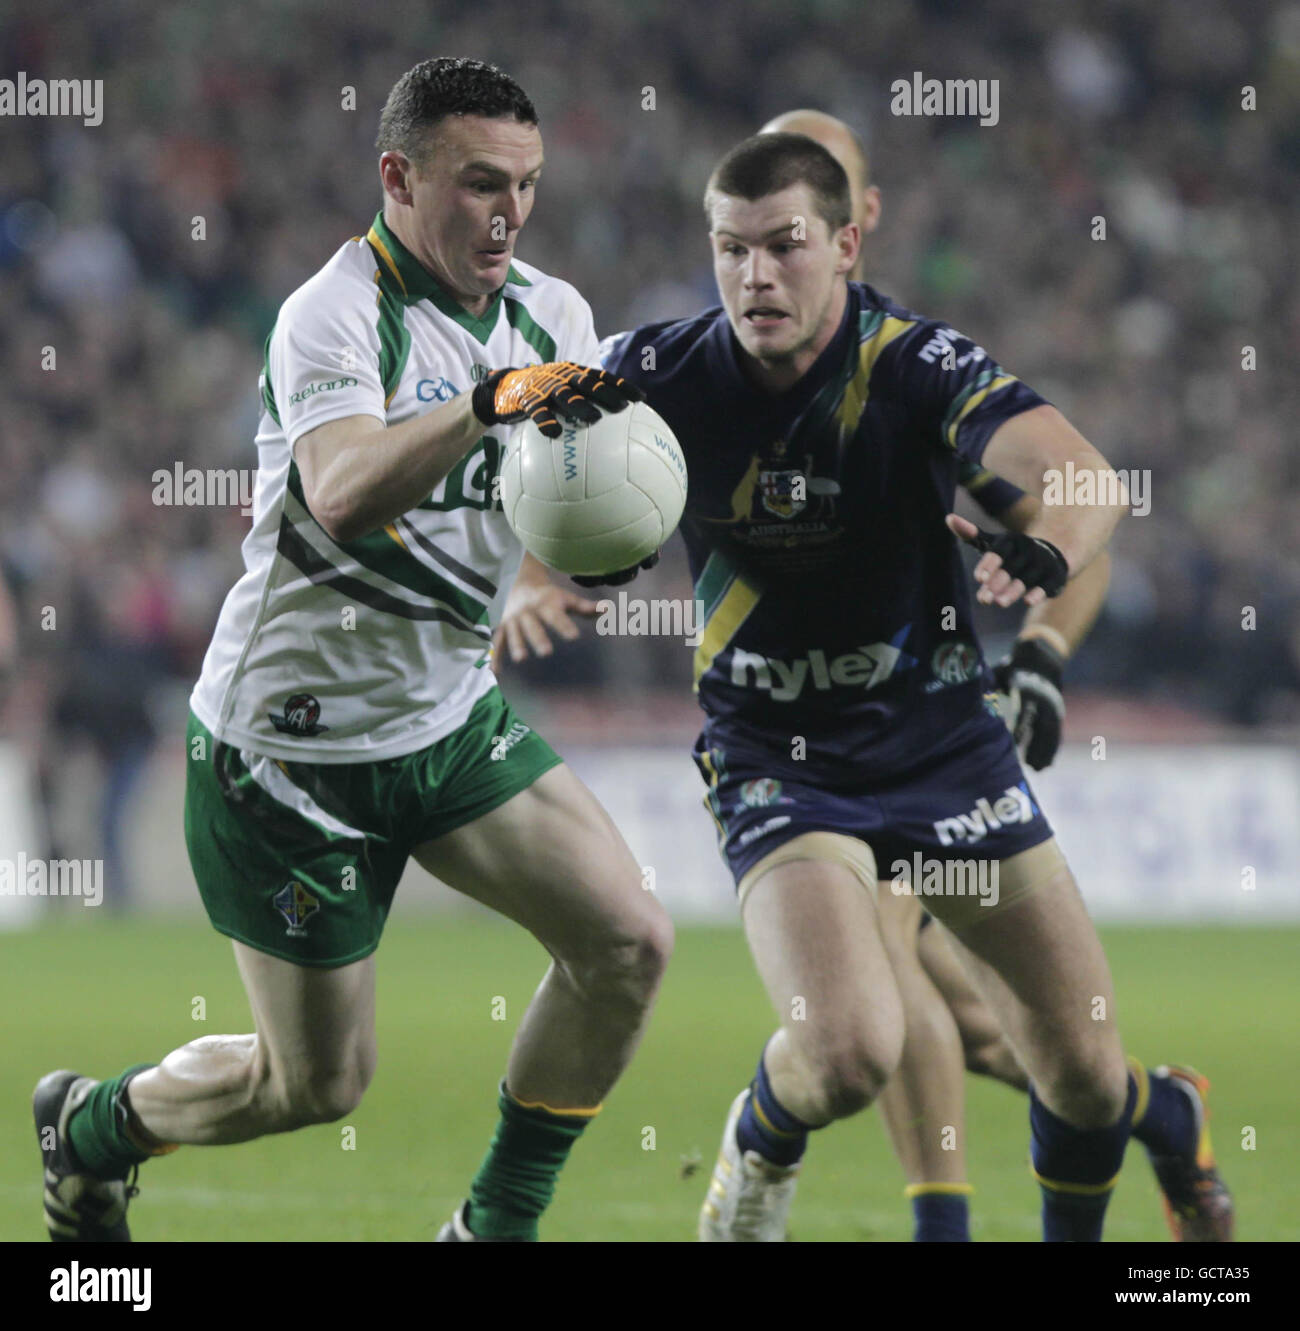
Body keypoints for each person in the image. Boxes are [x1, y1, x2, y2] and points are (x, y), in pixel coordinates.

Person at [507, 131, 1232, 1242]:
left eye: (785, 246)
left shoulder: (913, 363)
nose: (757, 275)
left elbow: (1081, 475)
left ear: (846, 244)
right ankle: (762, 1139)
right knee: (849, 1046)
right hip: (777, 756)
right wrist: (529, 570)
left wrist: (1049, 555)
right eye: (731, 249)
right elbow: (516, 429)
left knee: (1082, 1068)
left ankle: (1135, 1135)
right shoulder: (650, 371)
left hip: (942, 741)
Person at [34, 56, 672, 1245]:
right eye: (482, 182)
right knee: (313, 1087)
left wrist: (574, 559)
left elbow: (555, 491)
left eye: (527, 185)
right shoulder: (331, 314)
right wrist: (487, 402)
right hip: (285, 757)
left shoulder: (558, 316)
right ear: (398, 174)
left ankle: (495, 1224)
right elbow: (339, 494)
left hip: (443, 723)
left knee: (627, 940)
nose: (509, 213)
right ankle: (93, 1126)